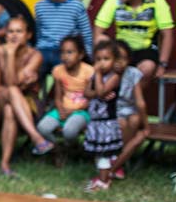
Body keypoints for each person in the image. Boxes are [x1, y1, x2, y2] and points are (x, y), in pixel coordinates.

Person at [0, 16, 48, 177]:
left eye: (19, 31)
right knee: (12, 92)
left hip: (27, 103)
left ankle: (5, 164)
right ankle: (36, 137)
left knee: (10, 110)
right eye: (10, 31)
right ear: (5, 35)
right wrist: (10, 55)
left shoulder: (35, 56)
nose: (14, 35)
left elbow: (13, 83)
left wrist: (11, 56)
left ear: (28, 35)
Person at [93, 0, 173, 83]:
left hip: (146, 49)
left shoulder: (156, 0)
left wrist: (162, 64)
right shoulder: (114, 0)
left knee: (147, 67)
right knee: (100, 39)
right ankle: (111, 93)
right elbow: (97, 32)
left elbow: (167, 34)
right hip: (120, 49)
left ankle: (131, 99)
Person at [34, 0, 93, 76]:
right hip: (43, 50)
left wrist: (89, 57)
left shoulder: (76, 5)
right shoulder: (40, 6)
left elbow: (86, 34)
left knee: (66, 74)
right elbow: (38, 33)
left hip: (65, 51)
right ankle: (31, 93)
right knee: (31, 74)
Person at [36, 35, 93, 146]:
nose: (65, 56)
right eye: (62, 52)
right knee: (42, 128)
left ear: (80, 55)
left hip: (82, 112)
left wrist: (73, 111)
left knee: (69, 131)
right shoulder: (58, 70)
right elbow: (57, 96)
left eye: (70, 52)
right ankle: (57, 148)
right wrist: (61, 110)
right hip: (62, 110)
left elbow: (91, 99)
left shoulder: (88, 71)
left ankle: (72, 148)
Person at [83, 41, 124, 192]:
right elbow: (87, 93)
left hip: (106, 123)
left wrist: (98, 76)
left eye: (106, 59)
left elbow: (100, 92)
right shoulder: (95, 76)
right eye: (98, 59)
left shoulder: (114, 77)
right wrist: (97, 91)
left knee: (104, 154)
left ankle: (103, 182)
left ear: (115, 61)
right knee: (98, 153)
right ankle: (103, 176)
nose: (101, 63)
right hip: (95, 122)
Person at [110, 40, 149, 181]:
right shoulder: (106, 73)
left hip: (129, 110)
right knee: (122, 123)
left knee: (135, 119)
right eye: (116, 57)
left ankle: (119, 159)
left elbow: (140, 102)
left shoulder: (133, 73)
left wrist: (146, 125)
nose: (120, 62)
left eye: (124, 58)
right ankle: (119, 161)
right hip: (111, 111)